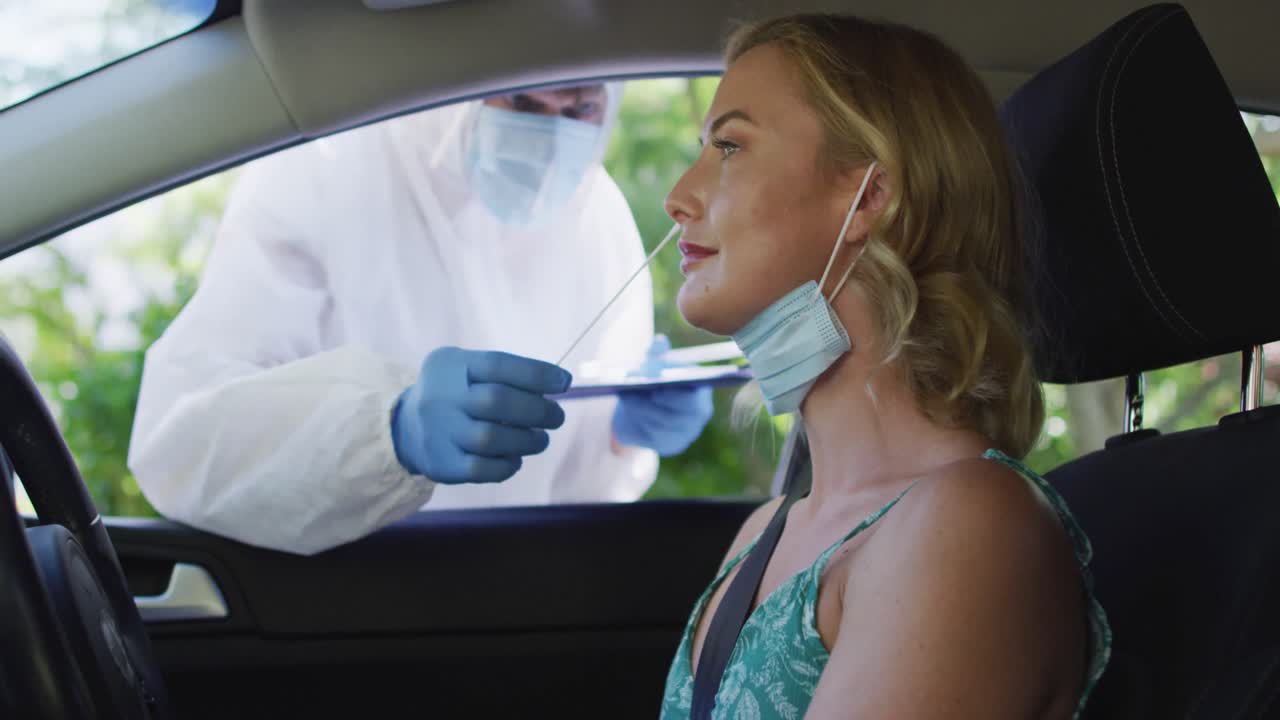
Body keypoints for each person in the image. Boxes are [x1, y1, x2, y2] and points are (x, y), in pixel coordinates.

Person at [658, 15, 1110, 719]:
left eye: (729, 146)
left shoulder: (970, 523)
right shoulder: (767, 533)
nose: (678, 197)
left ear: (869, 196)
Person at [127, 83, 713, 556]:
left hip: (527, 591)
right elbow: (184, 448)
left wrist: (620, 435)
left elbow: (578, 491)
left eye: (581, 108)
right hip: (352, 594)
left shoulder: (596, 217)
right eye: (523, 101)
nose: (555, 132)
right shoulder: (326, 171)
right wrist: (388, 432)